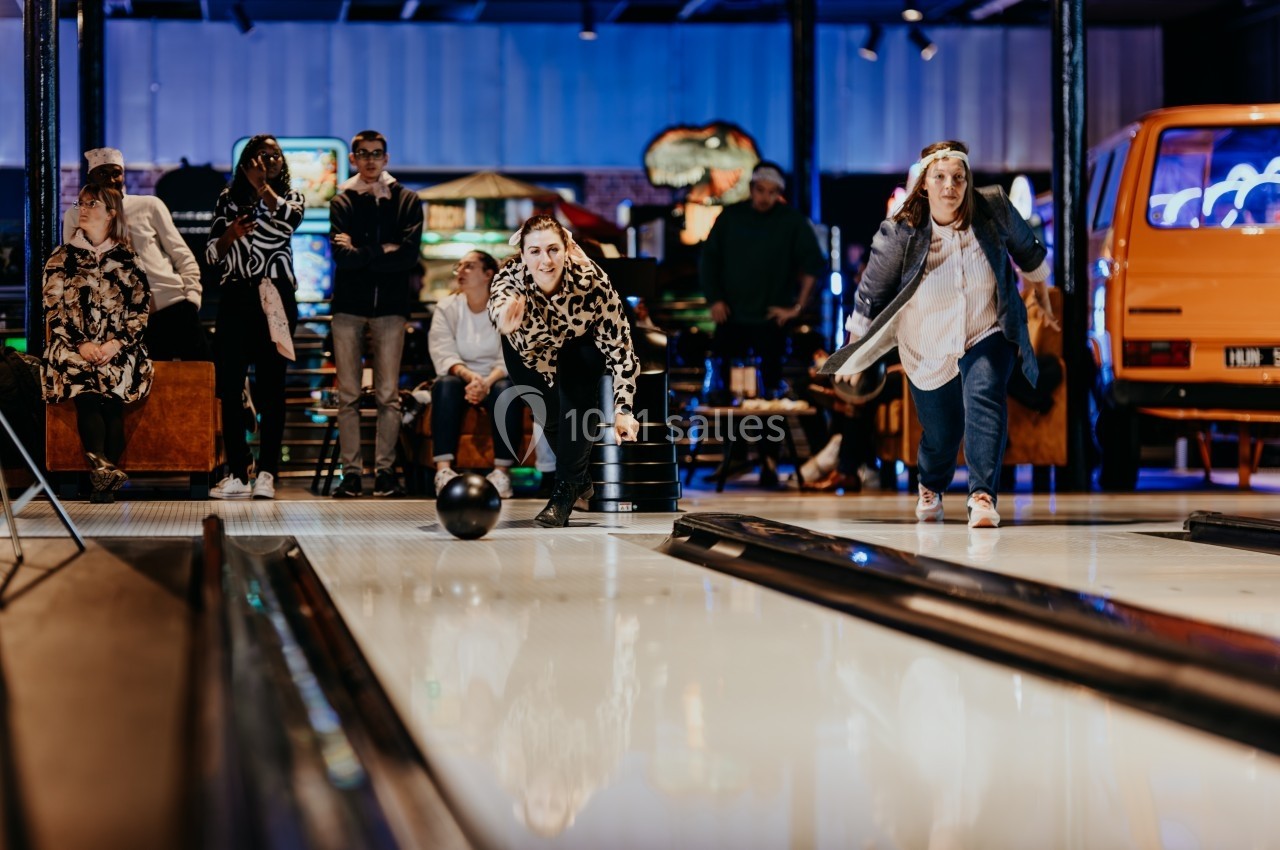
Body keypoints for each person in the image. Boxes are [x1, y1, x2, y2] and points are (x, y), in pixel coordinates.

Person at [820, 140, 1054, 528]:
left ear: (968, 180)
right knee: (943, 432)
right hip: (926, 341)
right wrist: (853, 349)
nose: (950, 186)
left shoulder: (992, 205)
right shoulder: (901, 231)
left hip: (986, 328)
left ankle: (982, 496)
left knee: (986, 395)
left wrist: (1042, 293)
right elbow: (871, 292)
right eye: (940, 177)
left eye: (958, 178)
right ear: (925, 184)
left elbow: (1026, 249)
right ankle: (930, 484)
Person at [490, 215, 640, 527]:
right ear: (523, 253)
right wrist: (504, 318)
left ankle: (566, 491)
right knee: (550, 414)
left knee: (575, 404)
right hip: (530, 352)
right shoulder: (510, 277)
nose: (545, 261)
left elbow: (620, 348)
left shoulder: (593, 283)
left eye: (553, 250)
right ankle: (581, 475)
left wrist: (624, 408)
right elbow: (498, 306)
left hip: (580, 345)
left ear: (567, 247)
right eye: (534, 251)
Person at [698, 161, 826, 487]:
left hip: (770, 322)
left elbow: (814, 264)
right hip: (733, 318)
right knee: (728, 392)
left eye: (772, 192)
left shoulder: (792, 222)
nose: (765, 197)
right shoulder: (731, 217)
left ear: (779, 194)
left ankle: (769, 461)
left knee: (770, 395)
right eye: (760, 190)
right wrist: (715, 299)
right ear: (751, 188)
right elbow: (708, 259)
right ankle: (735, 457)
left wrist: (796, 308)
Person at [205, 134, 304, 500]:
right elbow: (212, 255)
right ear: (246, 162)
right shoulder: (226, 200)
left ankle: (267, 473)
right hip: (235, 296)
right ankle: (239, 473)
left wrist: (264, 190)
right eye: (262, 155)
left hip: (275, 296)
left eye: (275, 155)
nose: (270, 160)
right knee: (230, 389)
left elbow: (288, 222)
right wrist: (230, 234)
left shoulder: (291, 198)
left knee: (272, 388)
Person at [326, 130, 425, 499]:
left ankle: (385, 473)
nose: (370, 160)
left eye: (376, 153)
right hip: (349, 307)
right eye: (363, 154)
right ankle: (351, 474)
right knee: (348, 394)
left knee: (388, 395)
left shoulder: (407, 200)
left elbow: (409, 256)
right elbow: (342, 259)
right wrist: (382, 249)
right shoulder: (343, 201)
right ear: (353, 158)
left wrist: (363, 252)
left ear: (386, 157)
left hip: (391, 308)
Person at [43, 184, 153, 504]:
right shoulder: (62, 257)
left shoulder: (128, 257)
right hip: (73, 346)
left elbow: (140, 311)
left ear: (111, 213)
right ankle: (105, 472)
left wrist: (115, 344)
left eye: (93, 204)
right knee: (86, 388)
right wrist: (83, 345)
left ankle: (103, 478)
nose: (84, 208)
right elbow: (53, 309)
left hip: (120, 347)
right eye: (82, 203)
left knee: (113, 394)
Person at [62, 147, 209, 362]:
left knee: (201, 380)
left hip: (173, 306)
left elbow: (182, 254)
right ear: (90, 177)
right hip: (123, 321)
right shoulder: (78, 215)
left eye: (116, 173)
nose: (111, 179)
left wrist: (192, 300)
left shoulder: (148, 204)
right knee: (146, 388)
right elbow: (75, 268)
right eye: (103, 173)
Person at [428, 250, 521, 498]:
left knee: (506, 388)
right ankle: (444, 471)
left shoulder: (505, 306)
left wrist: (487, 381)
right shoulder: (447, 307)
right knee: (445, 384)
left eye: (469, 266)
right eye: (459, 266)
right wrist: (472, 379)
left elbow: (511, 355)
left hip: (498, 376)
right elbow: (443, 351)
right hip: (461, 377)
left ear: (488, 274)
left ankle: (502, 473)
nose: (461, 271)